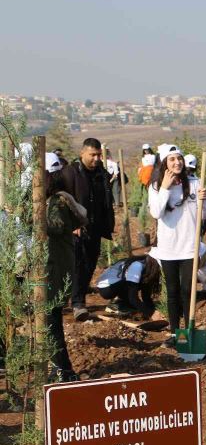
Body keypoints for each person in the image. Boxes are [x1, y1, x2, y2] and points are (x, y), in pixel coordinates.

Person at [147, 144, 206, 345]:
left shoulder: (194, 183)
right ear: (164, 163)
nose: (177, 162)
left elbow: (205, 215)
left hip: (189, 247)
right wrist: (165, 187)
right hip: (168, 248)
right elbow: (156, 213)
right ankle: (175, 334)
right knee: (173, 291)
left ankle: (189, 331)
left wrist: (204, 201)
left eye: (179, 158)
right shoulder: (156, 187)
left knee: (188, 290)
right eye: (172, 159)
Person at [61, 138, 115, 321]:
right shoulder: (70, 173)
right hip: (76, 230)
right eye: (92, 155)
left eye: (99, 155)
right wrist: (70, 223)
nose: (96, 159)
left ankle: (77, 299)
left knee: (89, 265)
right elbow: (60, 200)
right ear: (82, 153)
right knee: (77, 265)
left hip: (95, 228)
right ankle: (77, 303)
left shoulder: (101, 173)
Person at [46, 154, 88, 381]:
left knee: (51, 322)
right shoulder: (52, 201)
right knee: (50, 322)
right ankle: (58, 366)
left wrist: (27, 216)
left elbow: (56, 226)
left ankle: (64, 370)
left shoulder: (57, 202)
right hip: (53, 269)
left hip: (54, 271)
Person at [97, 255, 162, 319]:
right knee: (135, 287)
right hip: (107, 288)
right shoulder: (137, 266)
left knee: (143, 283)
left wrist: (151, 308)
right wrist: (150, 313)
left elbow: (146, 296)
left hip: (117, 284)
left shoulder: (146, 266)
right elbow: (133, 298)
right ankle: (119, 304)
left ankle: (121, 303)